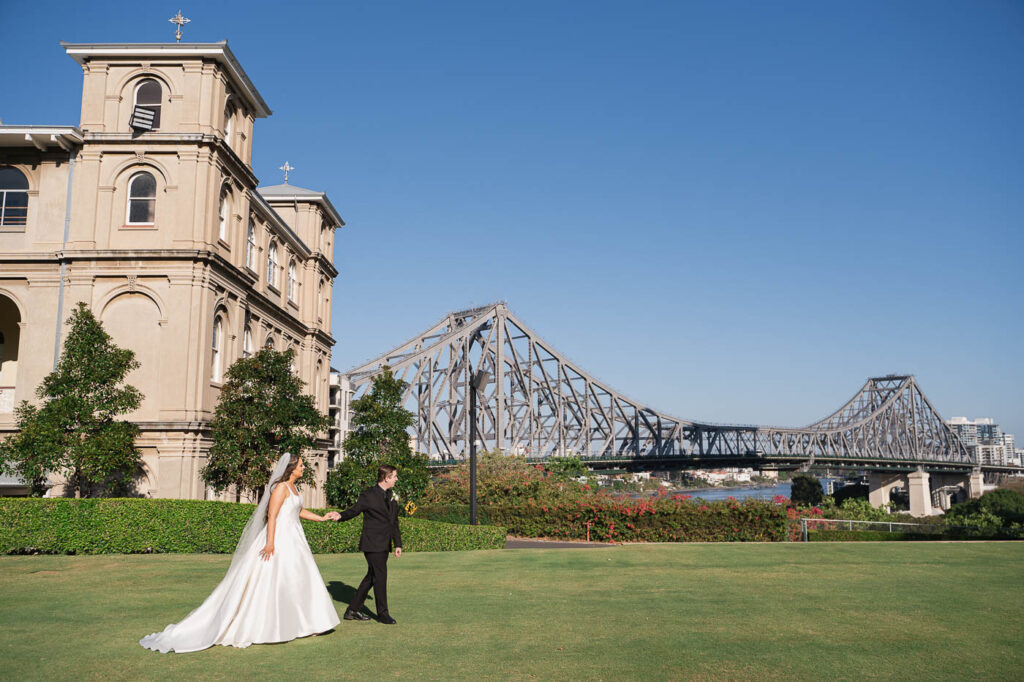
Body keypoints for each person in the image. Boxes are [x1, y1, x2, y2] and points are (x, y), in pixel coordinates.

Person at [139, 453, 341, 652]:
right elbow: (272, 516)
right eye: (301, 466)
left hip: (295, 539)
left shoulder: (293, 487)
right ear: (291, 469)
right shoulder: (280, 488)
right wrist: (270, 543)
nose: (303, 468)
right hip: (280, 538)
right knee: (276, 580)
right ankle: (270, 626)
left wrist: (321, 518)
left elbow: (298, 511)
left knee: (299, 578)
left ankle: (307, 623)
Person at [325, 465, 402, 624]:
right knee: (380, 576)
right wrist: (340, 515)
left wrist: (397, 544)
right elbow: (354, 511)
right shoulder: (368, 495)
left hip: (384, 544)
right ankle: (383, 614)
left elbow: (394, 522)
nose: (396, 479)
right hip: (372, 544)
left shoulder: (391, 496)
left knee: (372, 577)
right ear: (386, 478)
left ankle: (352, 610)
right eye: (394, 476)